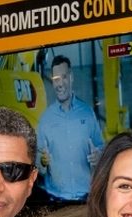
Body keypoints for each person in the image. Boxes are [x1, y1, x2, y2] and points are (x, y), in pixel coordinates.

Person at [35, 54, 106, 202]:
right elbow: (37, 160)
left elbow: (101, 147)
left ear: (71, 77)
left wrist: (98, 155)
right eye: (56, 79)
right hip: (56, 198)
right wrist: (42, 161)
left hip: (86, 197)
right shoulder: (46, 119)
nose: (60, 84)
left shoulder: (87, 113)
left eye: (64, 77)